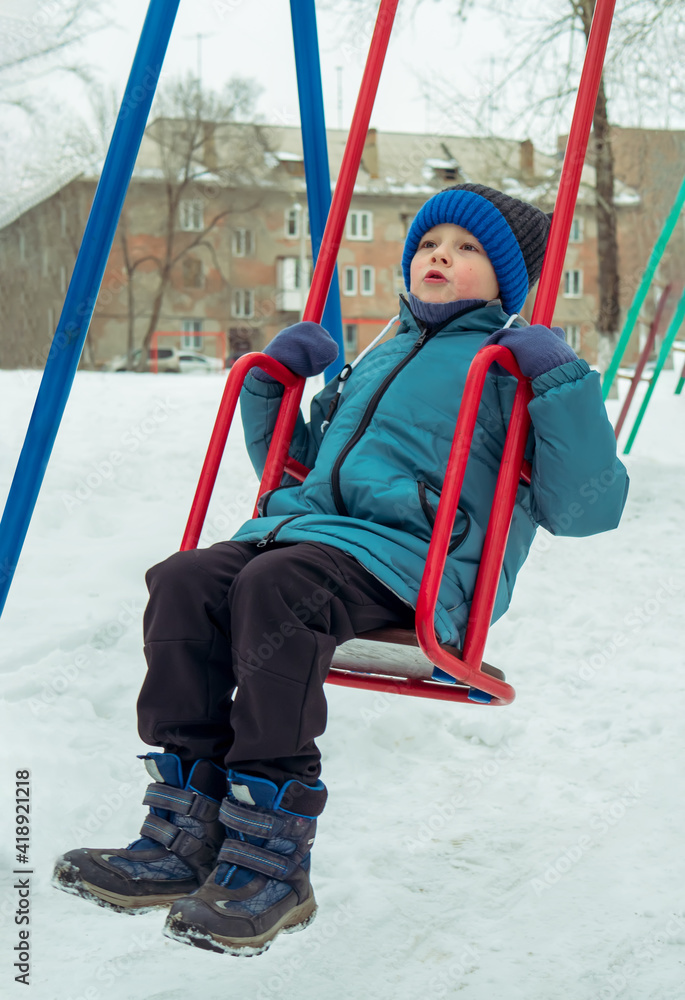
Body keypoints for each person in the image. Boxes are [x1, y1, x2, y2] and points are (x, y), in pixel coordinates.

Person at [52, 183, 629, 956]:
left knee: (277, 588)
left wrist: (559, 382)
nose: (439, 258)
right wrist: (272, 389)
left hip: (416, 565)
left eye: (466, 250)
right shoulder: (377, 354)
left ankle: (272, 861)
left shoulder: (509, 370)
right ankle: (182, 833)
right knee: (184, 580)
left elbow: (585, 509)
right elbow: (296, 474)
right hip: (316, 536)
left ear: (506, 283)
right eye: (429, 244)